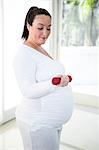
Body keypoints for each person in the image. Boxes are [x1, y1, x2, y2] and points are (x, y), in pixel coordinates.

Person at [13, 6, 74, 150]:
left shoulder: (39, 48)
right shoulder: (24, 54)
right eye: (40, 28)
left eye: (49, 28)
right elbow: (27, 90)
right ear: (28, 26)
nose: (45, 33)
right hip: (37, 123)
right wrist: (54, 83)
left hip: (51, 122)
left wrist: (60, 80)